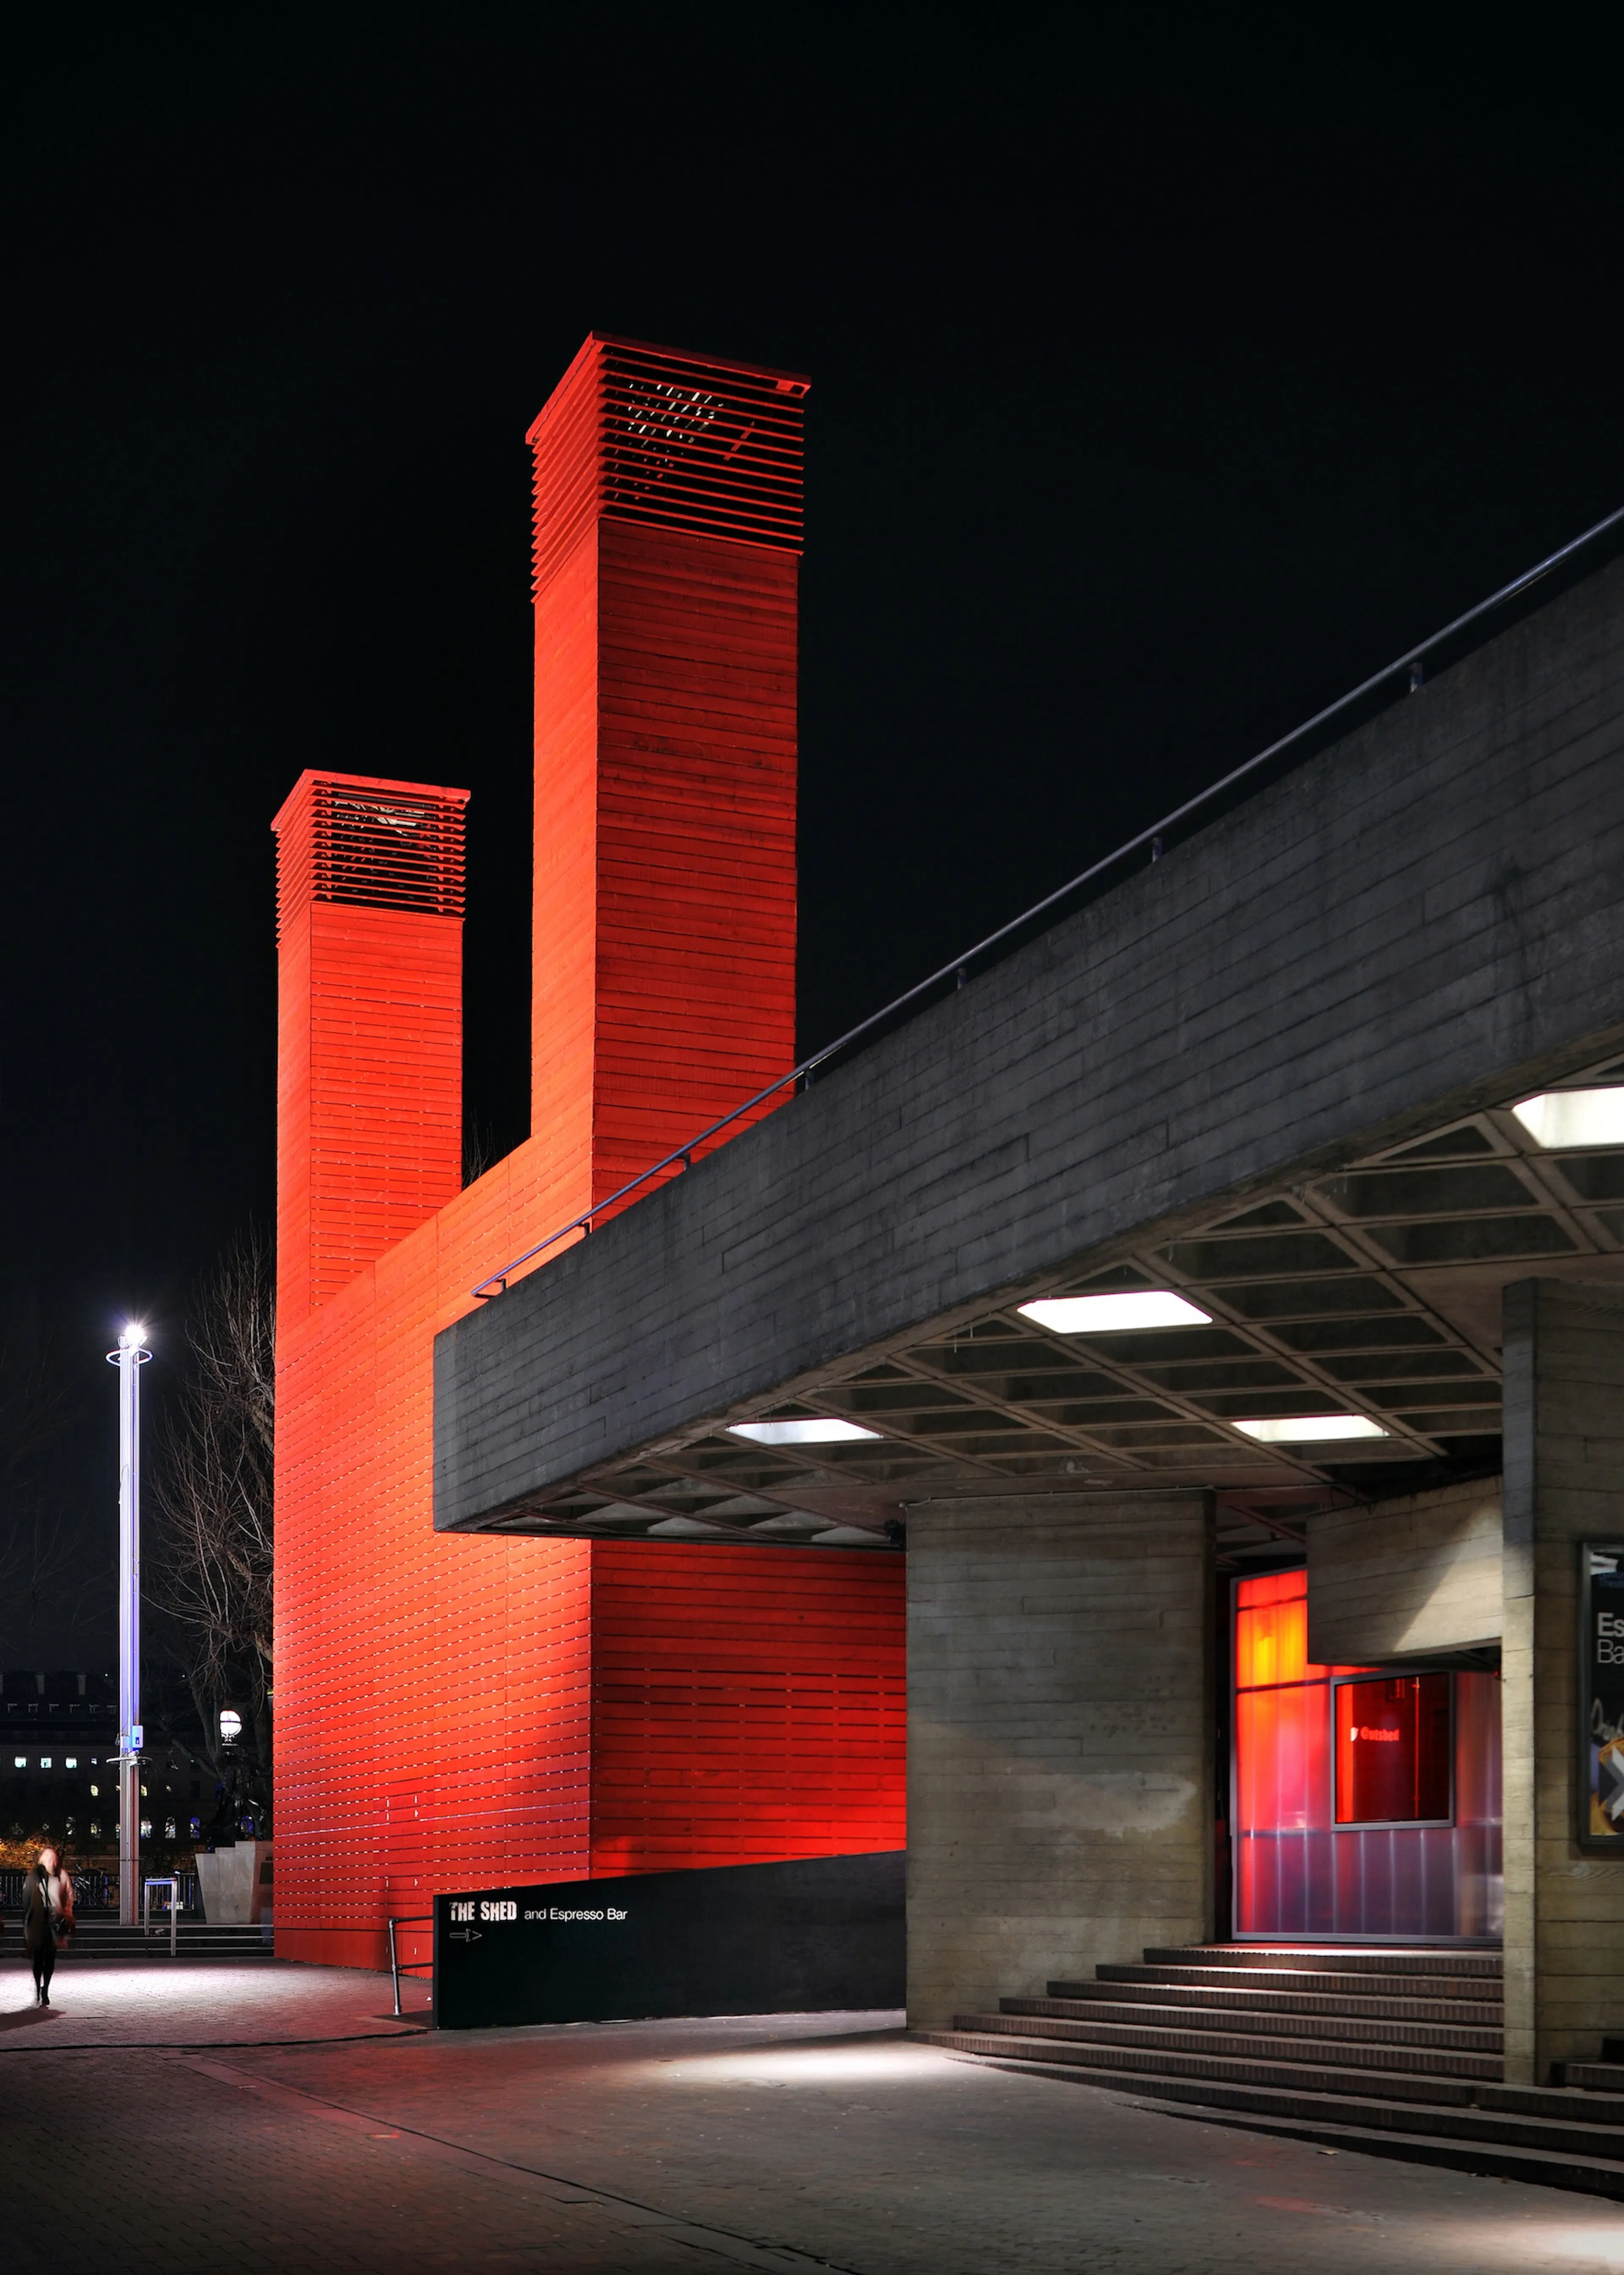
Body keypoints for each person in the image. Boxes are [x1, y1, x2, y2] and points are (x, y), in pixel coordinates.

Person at [22, 1845, 73, 2006]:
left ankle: (46, 1990)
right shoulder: (33, 1877)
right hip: (38, 1922)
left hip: (54, 1922)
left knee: (50, 1958)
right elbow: (26, 1902)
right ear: (41, 1861)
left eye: (54, 1859)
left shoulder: (61, 1876)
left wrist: (66, 1913)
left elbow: (69, 1896)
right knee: (38, 1958)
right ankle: (38, 1988)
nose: (52, 1862)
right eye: (49, 1859)